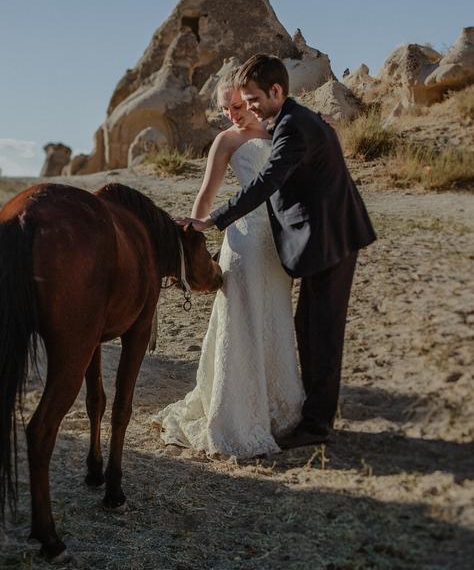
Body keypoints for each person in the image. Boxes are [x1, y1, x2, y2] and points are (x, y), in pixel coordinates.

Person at [183, 54, 376, 449]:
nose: (247, 109)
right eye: (239, 104)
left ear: (276, 92)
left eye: (252, 101)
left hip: (330, 238)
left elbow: (267, 181)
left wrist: (213, 221)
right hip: (314, 237)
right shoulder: (289, 121)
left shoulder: (292, 127)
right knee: (306, 325)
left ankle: (317, 425)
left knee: (320, 331)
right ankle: (309, 414)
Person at [151, 73, 305, 459]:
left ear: (251, 99)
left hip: (277, 244)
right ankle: (234, 413)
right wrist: (191, 236)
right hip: (244, 242)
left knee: (274, 317)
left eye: (237, 106)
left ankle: (279, 410)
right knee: (241, 319)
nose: (233, 115)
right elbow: (207, 194)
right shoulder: (226, 141)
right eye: (224, 109)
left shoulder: (277, 132)